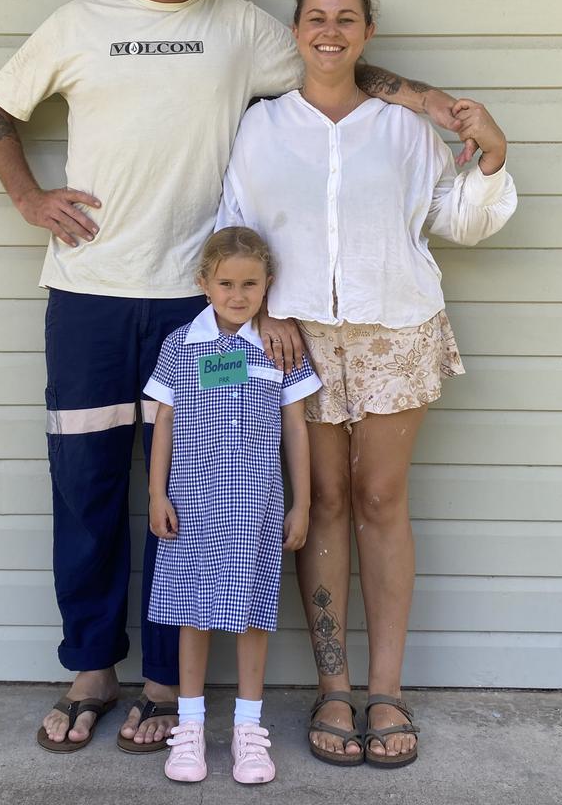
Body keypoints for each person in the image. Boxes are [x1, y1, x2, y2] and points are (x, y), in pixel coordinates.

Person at [0, 0, 482, 754]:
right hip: (89, 296)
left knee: (195, 498)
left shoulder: (243, 29)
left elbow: (343, 62)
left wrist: (428, 100)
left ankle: (168, 684)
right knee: (88, 491)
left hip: (200, 310)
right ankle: (92, 670)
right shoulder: (79, 24)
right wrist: (28, 199)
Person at [217, 0, 518, 768]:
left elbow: (458, 220)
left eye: (346, 18)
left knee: (382, 498)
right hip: (299, 338)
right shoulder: (263, 125)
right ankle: (334, 686)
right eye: (316, 16)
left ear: (368, 33)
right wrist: (266, 305)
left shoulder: (405, 127)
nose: (329, 30)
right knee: (322, 504)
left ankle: (385, 687)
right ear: (297, 29)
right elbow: (235, 225)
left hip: (395, 325)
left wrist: (488, 155)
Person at [144, 227, 320, 783]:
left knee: (250, 615)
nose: (238, 295)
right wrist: (155, 492)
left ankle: (249, 730)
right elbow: (164, 421)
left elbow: (295, 426)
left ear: (268, 286)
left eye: (250, 284)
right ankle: (190, 728)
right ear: (204, 283)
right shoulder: (181, 345)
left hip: (255, 508)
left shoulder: (279, 350)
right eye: (226, 283)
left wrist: (303, 502)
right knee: (191, 614)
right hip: (192, 505)